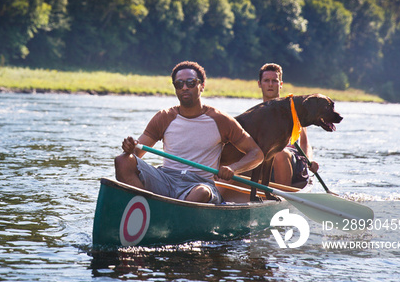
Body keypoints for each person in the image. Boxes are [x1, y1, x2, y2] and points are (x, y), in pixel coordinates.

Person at [115, 61, 264, 204]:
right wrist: (130, 149)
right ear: (175, 88)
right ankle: (144, 207)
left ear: (202, 86)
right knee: (122, 160)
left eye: (191, 83)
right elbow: (135, 154)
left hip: (199, 184)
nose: (184, 87)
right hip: (165, 178)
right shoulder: (164, 117)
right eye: (179, 84)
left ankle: (169, 215)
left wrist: (234, 168)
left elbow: (256, 154)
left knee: (202, 193)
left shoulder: (221, 120)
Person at [258, 63, 318, 188]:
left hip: (291, 160)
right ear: (260, 84)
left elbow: (305, 144)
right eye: (266, 81)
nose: (270, 84)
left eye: (274, 81)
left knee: (280, 153)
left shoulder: (294, 111)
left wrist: (309, 161)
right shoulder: (255, 114)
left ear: (280, 84)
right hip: (265, 159)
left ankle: (282, 198)